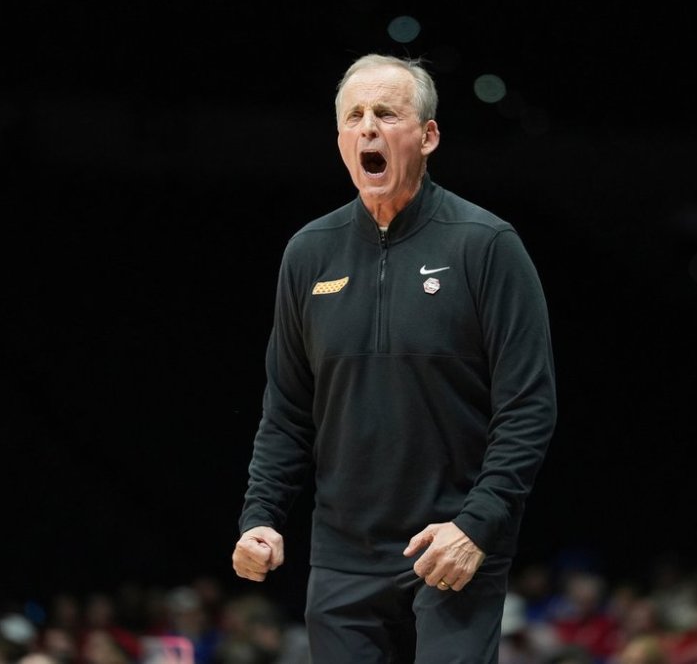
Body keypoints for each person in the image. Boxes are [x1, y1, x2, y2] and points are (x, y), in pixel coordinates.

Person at [230, 52, 559, 663]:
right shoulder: (308, 253)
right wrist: (261, 515)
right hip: (342, 559)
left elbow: (529, 407)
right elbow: (287, 410)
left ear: (428, 135)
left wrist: (476, 526)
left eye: (386, 112)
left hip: (450, 547)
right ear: (339, 140)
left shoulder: (486, 245)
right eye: (353, 116)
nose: (368, 128)